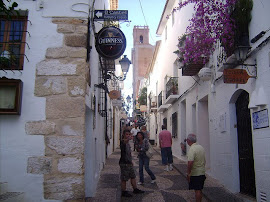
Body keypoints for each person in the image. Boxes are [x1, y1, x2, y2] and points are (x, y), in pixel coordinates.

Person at [119, 129, 145, 197]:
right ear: (123, 135)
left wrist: (131, 161)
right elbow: (124, 141)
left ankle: (135, 189)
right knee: (124, 178)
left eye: (129, 134)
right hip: (124, 163)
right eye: (126, 134)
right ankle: (123, 191)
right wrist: (129, 138)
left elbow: (129, 153)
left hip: (129, 162)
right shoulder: (123, 142)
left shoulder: (127, 143)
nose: (128, 135)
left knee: (133, 176)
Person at [186, 134, 206, 202]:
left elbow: (190, 163)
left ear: (188, 141)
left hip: (196, 173)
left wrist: (188, 173)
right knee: (200, 189)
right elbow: (204, 160)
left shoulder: (192, 149)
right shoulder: (201, 147)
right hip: (202, 172)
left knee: (197, 190)